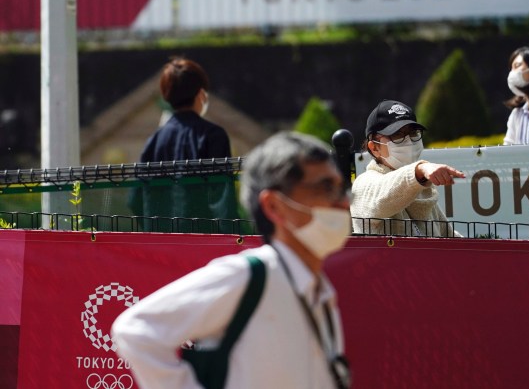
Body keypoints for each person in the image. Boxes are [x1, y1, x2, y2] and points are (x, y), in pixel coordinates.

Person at [112, 132, 352, 389]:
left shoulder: (323, 295)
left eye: (342, 188)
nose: (341, 202)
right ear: (274, 206)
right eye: (325, 187)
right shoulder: (250, 276)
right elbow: (136, 330)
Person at [128, 57, 238, 231]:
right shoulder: (213, 135)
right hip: (204, 244)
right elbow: (222, 198)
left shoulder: (154, 140)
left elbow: (135, 199)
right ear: (201, 94)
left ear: (167, 95)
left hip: (163, 247)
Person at [351, 100, 464, 237]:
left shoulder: (425, 193)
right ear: (374, 148)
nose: (409, 141)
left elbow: (451, 241)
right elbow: (383, 196)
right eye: (397, 135)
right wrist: (418, 170)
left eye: (413, 133)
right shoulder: (363, 184)